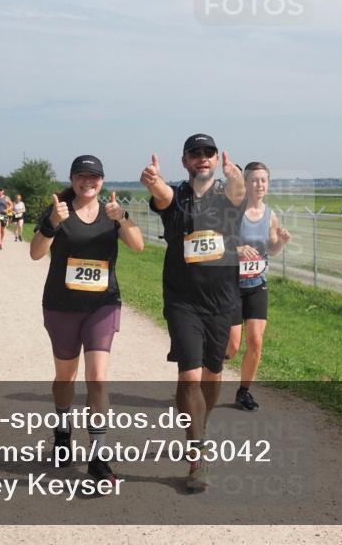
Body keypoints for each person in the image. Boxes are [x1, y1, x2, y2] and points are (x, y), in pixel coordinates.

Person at [30, 155, 144, 483]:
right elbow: (36, 252)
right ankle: (63, 427)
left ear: (103, 181)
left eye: (94, 177)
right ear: (72, 179)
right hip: (61, 305)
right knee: (65, 378)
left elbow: (137, 246)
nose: (88, 182)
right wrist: (52, 221)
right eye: (81, 176)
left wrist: (121, 218)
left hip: (103, 306)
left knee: (97, 379)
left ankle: (98, 457)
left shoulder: (112, 212)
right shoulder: (60, 210)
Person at [141, 134, 245, 491]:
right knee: (189, 377)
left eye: (208, 153)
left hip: (222, 300)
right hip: (183, 301)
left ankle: (200, 424)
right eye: (195, 154)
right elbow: (162, 196)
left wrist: (238, 178)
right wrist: (154, 182)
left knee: (212, 375)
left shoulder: (227, 195)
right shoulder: (176, 196)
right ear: (185, 161)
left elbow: (239, 195)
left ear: (216, 160)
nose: (202, 158)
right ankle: (197, 455)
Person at [225, 161, 292, 411]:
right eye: (254, 180)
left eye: (263, 180)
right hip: (231, 285)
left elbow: (271, 249)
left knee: (255, 341)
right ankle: (210, 370)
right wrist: (237, 249)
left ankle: (244, 391)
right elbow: (217, 244)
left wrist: (282, 242)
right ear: (245, 182)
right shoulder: (233, 212)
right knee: (232, 346)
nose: (259, 184)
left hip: (256, 284)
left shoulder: (270, 215)